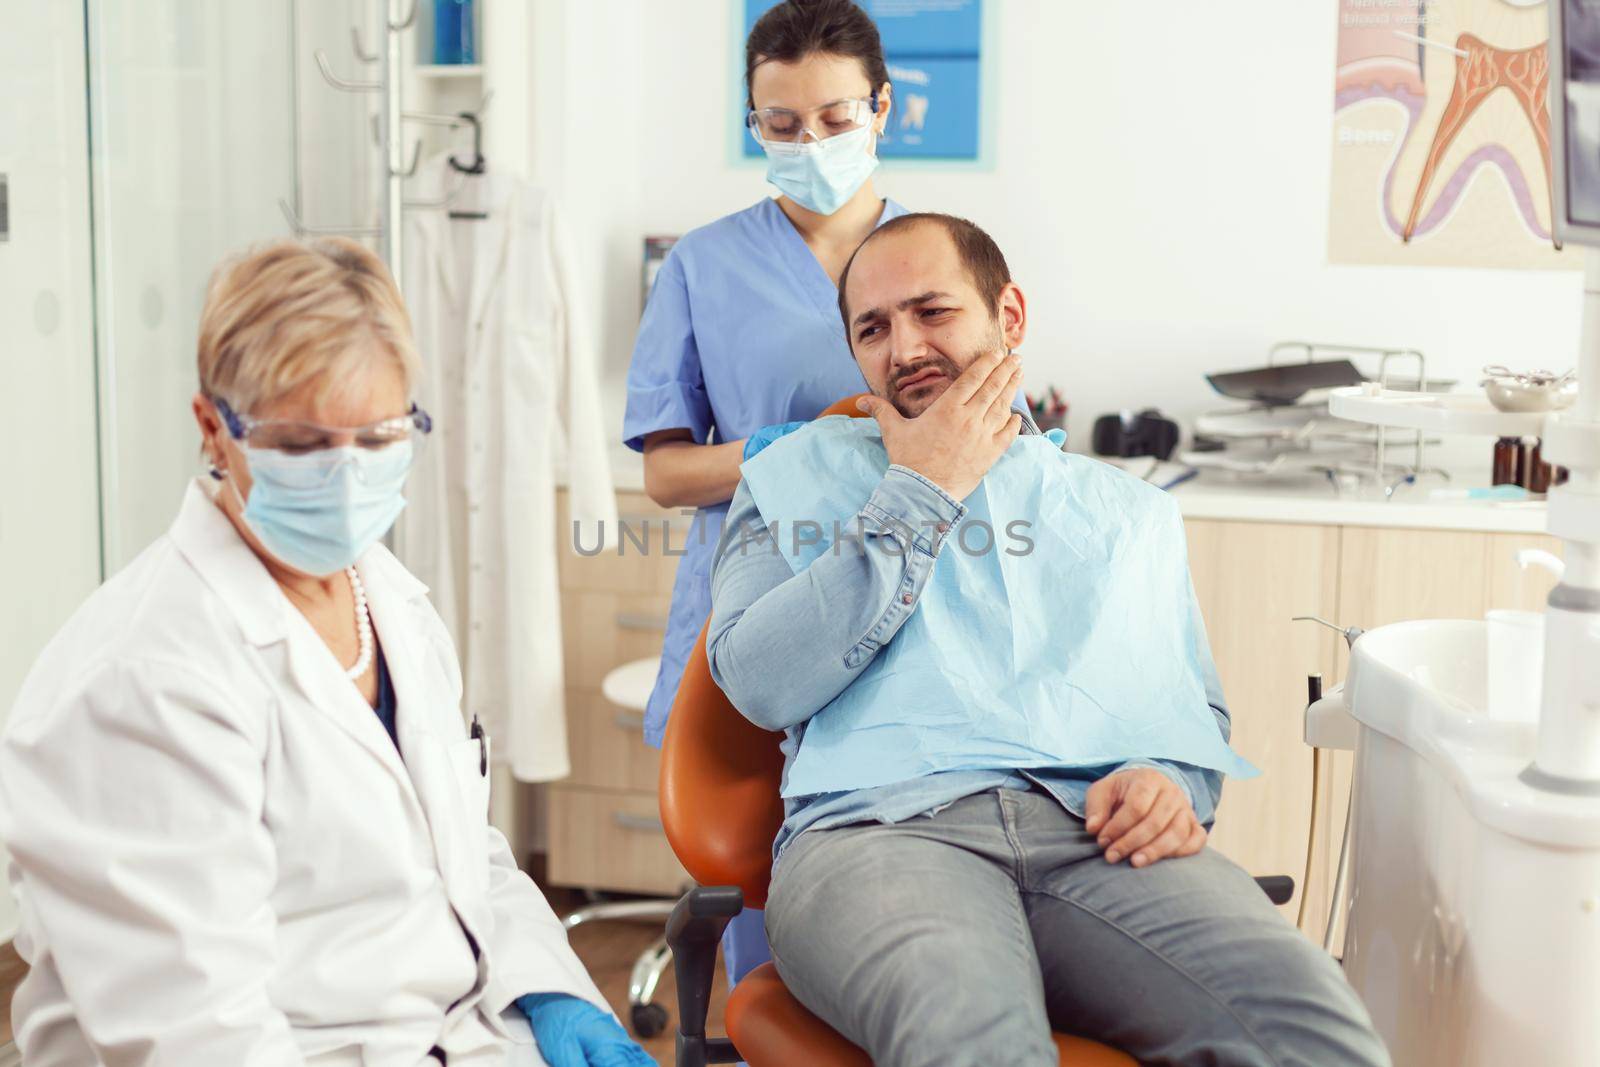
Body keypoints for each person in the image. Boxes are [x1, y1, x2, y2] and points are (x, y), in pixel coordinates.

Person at [705, 214, 1392, 1066]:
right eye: (873, 328)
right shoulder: (789, 476)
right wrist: (922, 486)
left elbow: (1193, 709)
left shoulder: (1122, 509)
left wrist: (1170, 778)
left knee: (1312, 1025)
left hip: (1099, 838)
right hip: (876, 836)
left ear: (1010, 316)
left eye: (933, 311)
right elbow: (757, 680)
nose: (905, 346)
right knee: (972, 1037)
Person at [0, 239, 650, 1067]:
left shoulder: (391, 602)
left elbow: (461, 859)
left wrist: (547, 986)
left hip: (455, 1034)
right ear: (213, 428)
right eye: (303, 447)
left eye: (378, 439)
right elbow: (204, 1039)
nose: (346, 481)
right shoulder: (144, 678)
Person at [622, 0, 907, 985]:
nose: (809, 142)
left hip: (908, 610)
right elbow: (664, 472)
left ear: (883, 109)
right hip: (752, 607)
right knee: (757, 912)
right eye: (780, 125)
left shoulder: (936, 256)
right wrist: (795, 446)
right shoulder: (703, 265)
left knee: (895, 914)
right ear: (754, 123)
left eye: (834, 118)